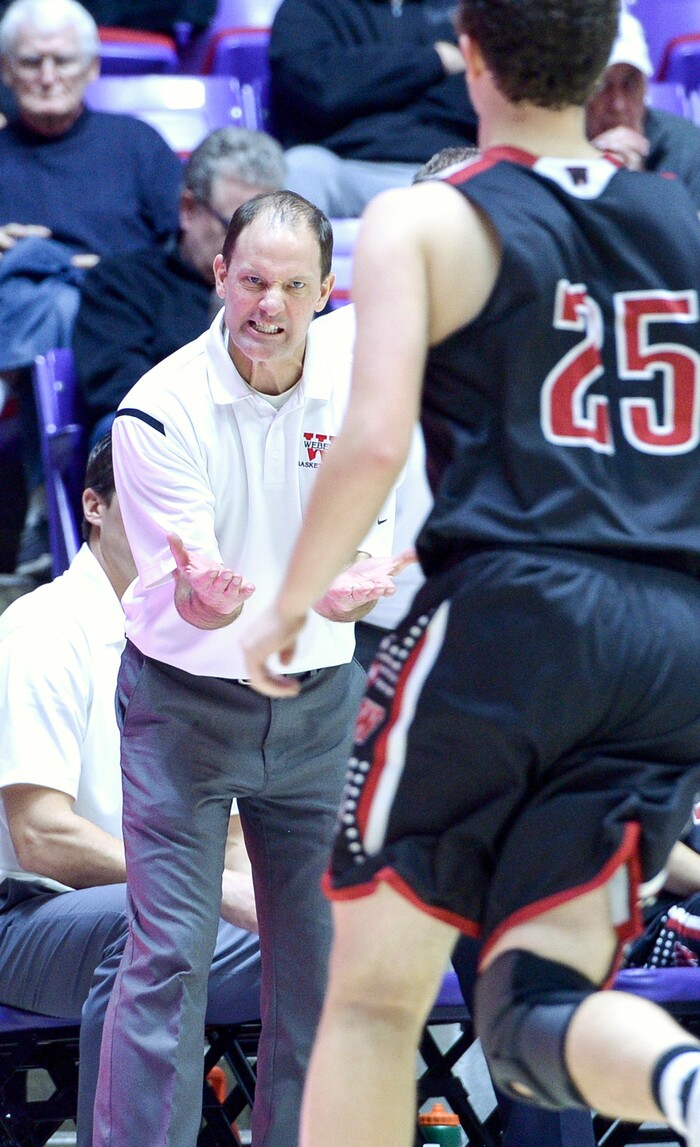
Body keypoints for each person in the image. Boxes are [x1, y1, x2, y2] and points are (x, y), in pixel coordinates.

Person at [243, 2, 700, 1145]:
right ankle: (687, 1084)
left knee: (369, 1005)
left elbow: (372, 443)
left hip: (517, 613)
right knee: (537, 1007)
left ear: (472, 54)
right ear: (608, 71)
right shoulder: (683, 219)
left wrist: (285, 607)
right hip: (671, 636)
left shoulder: (423, 217)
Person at [94, 190, 413, 1147]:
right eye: (250, 280)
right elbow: (184, 590)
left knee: (321, 965)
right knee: (169, 961)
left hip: (320, 706)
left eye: (290, 285)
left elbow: (377, 526)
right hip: (185, 706)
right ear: (219, 277)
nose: (266, 304)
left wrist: (365, 582)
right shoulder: (157, 413)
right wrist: (203, 596)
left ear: (325, 293)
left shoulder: (365, 386)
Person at [0, 432, 261, 1147]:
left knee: (329, 922)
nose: (172, 531)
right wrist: (205, 884)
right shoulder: (43, 627)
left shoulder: (200, 649)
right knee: (157, 920)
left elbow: (232, 833)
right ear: (93, 505)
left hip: (167, 902)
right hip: (28, 917)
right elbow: (41, 835)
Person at [0, 0, 182, 579]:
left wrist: (77, 263)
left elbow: (181, 252)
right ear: (6, 70)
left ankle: (42, 500)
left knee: (63, 296)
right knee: (40, 292)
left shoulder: (136, 144)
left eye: (62, 60)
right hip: (16, 312)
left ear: (92, 68)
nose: (47, 75)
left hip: (118, 322)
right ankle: (43, 498)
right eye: (31, 61)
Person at [73, 127, 286, 448]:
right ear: (188, 209)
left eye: (267, 230)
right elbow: (121, 393)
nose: (252, 248)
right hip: (169, 444)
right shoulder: (121, 284)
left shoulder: (291, 290)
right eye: (235, 227)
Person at [268, 0, 479, 218]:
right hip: (344, 164)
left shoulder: (464, 8)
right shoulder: (308, 7)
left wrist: (365, 81)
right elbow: (321, 89)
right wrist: (435, 60)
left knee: (496, 181)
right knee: (300, 169)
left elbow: (475, 99)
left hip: (449, 166)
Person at [587, 9, 700, 208]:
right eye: (603, 86)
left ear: (646, 87)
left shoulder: (687, 148)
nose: (618, 105)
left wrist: (639, 185)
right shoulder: (557, 143)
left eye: (630, 84)